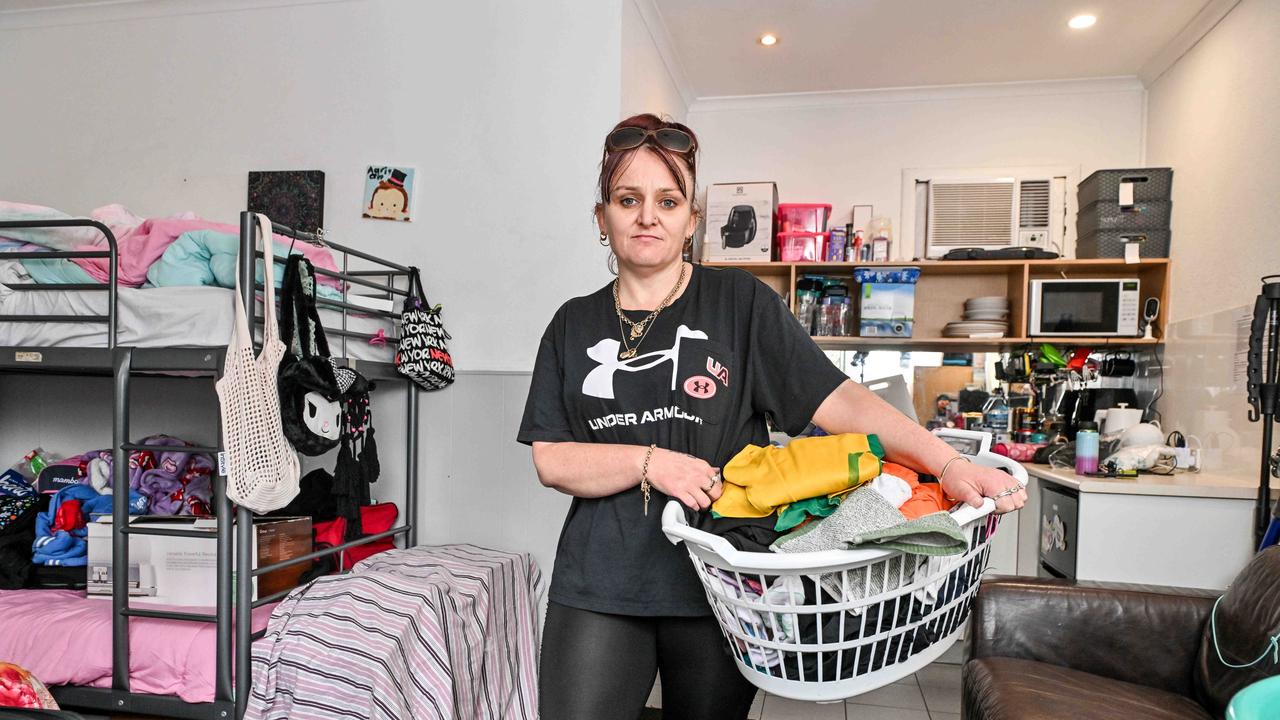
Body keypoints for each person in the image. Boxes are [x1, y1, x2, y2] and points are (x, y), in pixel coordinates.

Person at [517, 113, 1027, 720]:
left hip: (724, 585)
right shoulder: (572, 322)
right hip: (600, 580)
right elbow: (552, 458)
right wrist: (650, 462)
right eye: (628, 199)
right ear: (602, 218)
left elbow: (840, 400)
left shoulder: (741, 304)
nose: (647, 216)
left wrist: (946, 462)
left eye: (668, 200)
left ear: (691, 221)